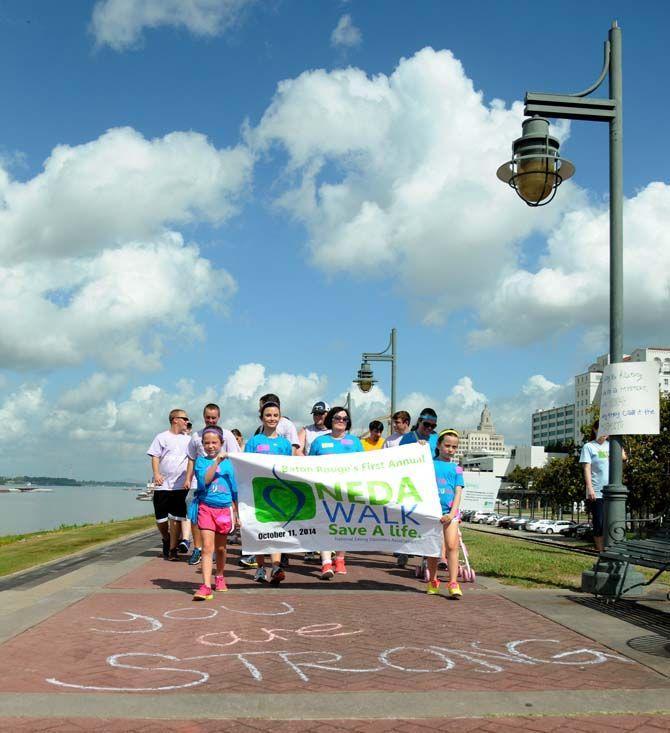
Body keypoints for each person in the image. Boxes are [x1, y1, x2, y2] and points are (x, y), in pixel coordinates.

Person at [309, 406, 364, 579]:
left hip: (348, 490)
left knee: (344, 525)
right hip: (324, 491)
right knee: (325, 525)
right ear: (330, 420)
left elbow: (365, 465)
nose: (341, 421)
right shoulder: (319, 442)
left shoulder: (355, 442)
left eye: (344, 419)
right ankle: (326, 563)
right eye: (337, 418)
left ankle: (340, 558)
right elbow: (308, 466)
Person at [183, 403, 240, 566]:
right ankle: (198, 548)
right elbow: (192, 459)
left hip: (221, 481)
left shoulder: (227, 435)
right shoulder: (196, 436)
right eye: (208, 417)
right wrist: (188, 478)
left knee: (217, 517)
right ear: (204, 417)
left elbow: (235, 456)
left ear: (218, 417)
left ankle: (213, 548)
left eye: (213, 418)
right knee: (195, 516)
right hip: (199, 480)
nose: (211, 420)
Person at [245, 401, 293, 584]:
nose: (272, 418)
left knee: (276, 530)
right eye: (268, 415)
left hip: (279, 494)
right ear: (261, 418)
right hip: (257, 493)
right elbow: (245, 465)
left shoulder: (285, 444)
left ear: (279, 418)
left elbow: (289, 469)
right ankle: (259, 568)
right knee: (259, 530)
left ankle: (275, 566)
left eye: (275, 415)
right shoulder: (254, 441)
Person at [192, 427, 238, 600]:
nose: (210, 446)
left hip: (224, 509)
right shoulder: (201, 462)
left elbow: (234, 489)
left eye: (214, 442)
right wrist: (216, 462)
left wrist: (237, 511)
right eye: (206, 443)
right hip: (206, 508)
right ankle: (205, 585)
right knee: (207, 547)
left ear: (221, 443)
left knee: (220, 548)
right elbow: (205, 480)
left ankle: (219, 575)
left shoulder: (230, 464)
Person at [146, 408, 192, 561]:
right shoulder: (161, 437)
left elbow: (192, 459)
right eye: (184, 419)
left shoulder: (188, 440)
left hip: (180, 486)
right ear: (175, 420)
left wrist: (189, 478)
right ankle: (166, 538)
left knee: (176, 518)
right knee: (161, 519)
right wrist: (157, 474)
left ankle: (172, 550)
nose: (187, 421)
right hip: (163, 485)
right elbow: (155, 456)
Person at [426, 429, 464, 598]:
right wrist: (420, 447)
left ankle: (453, 582)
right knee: (433, 548)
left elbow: (458, 492)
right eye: (447, 445)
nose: (450, 449)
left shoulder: (457, 469)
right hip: (432, 512)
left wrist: (452, 513)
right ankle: (433, 580)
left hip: (451, 513)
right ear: (439, 445)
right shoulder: (429, 464)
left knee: (452, 546)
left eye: (454, 447)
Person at [580, 420, 625, 552]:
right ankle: (601, 551)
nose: (604, 433)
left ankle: (611, 549)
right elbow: (587, 469)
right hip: (597, 491)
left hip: (612, 492)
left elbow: (623, 459)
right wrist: (590, 489)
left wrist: (619, 446)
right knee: (599, 522)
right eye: (602, 429)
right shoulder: (589, 447)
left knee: (612, 522)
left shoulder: (611, 445)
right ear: (595, 430)